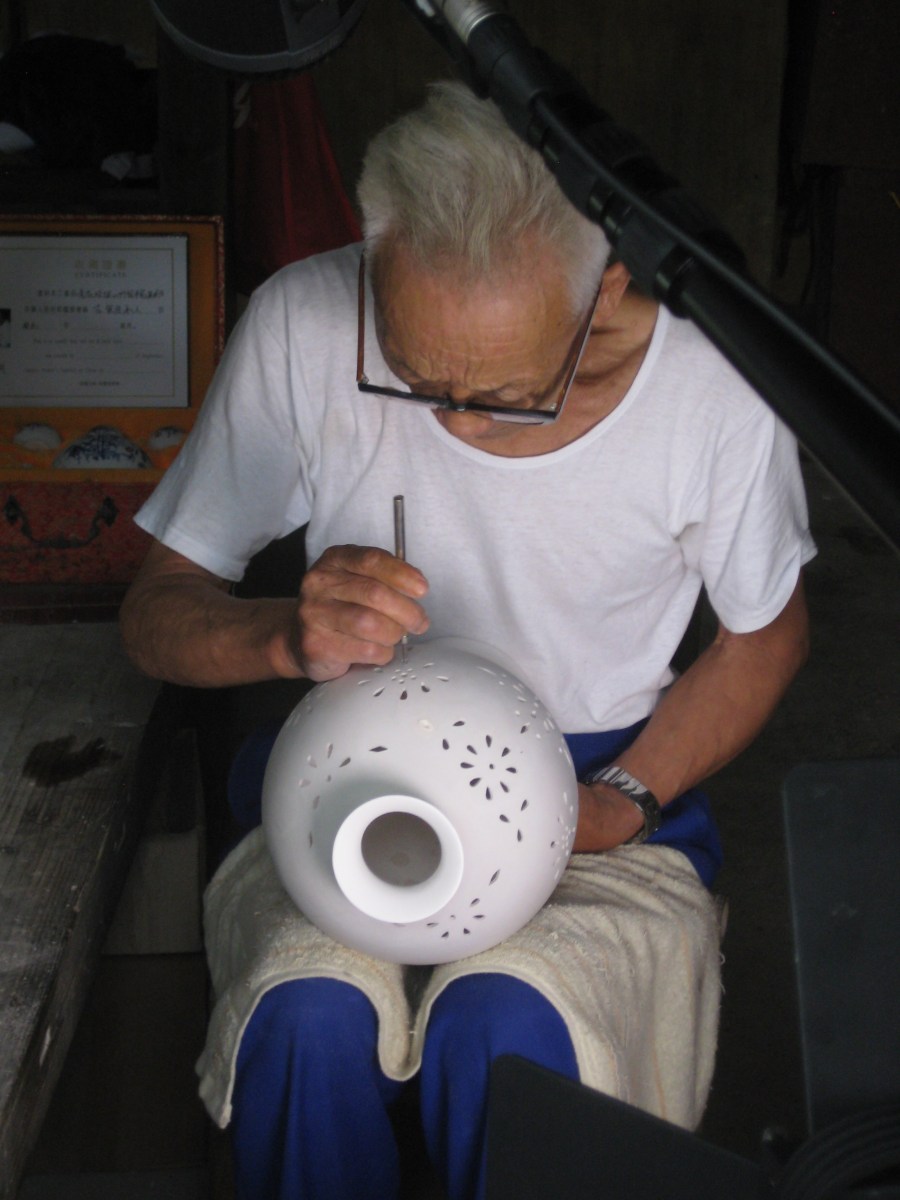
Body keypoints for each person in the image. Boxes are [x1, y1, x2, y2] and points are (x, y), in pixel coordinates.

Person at [120, 80, 814, 1200]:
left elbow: (763, 639)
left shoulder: (714, 385)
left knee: (512, 1033)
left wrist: (627, 796)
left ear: (609, 287)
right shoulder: (304, 320)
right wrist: (281, 637)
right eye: (413, 372)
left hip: (599, 787)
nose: (453, 422)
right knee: (306, 1020)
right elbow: (156, 610)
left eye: (502, 394)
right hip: (347, 782)